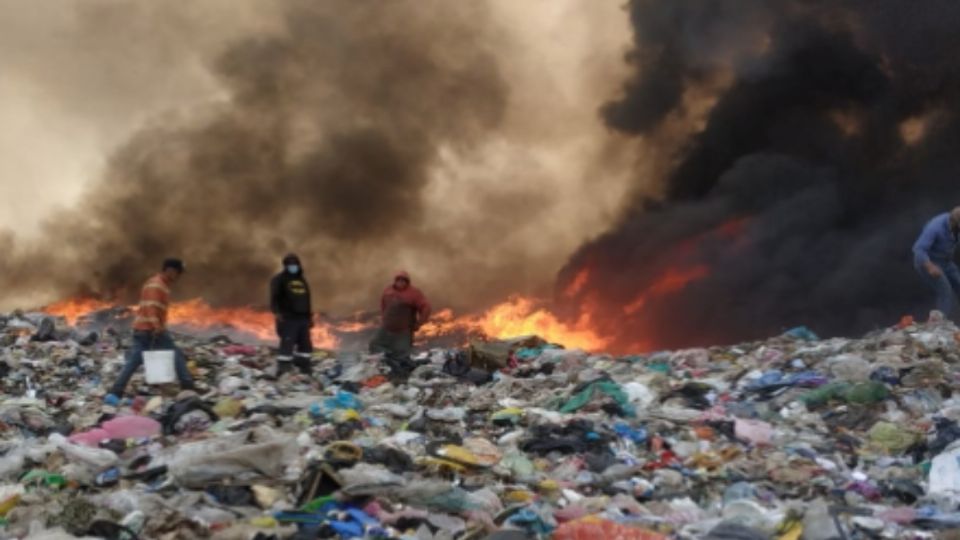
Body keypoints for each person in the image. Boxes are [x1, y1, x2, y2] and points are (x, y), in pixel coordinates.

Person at [105, 259, 194, 404]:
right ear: (170, 270)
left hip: (142, 329)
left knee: (133, 361)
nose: (178, 277)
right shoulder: (157, 285)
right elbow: (150, 307)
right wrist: (157, 326)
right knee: (175, 353)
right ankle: (188, 386)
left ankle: (116, 391)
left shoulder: (158, 284)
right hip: (150, 329)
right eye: (177, 273)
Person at [369, 271, 431, 361]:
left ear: (407, 282)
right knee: (374, 345)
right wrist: (384, 318)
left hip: (403, 331)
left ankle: (398, 369)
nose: (401, 282)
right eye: (399, 280)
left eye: (404, 280)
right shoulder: (388, 290)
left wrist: (419, 323)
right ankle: (386, 359)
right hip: (386, 329)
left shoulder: (414, 293)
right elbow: (383, 305)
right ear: (395, 281)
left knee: (402, 355)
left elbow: (426, 307)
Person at [270, 253, 313, 375]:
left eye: (295, 264)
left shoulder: (302, 280)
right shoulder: (279, 279)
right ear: (285, 266)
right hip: (288, 318)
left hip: (303, 318)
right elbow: (274, 298)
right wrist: (277, 313)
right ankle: (283, 369)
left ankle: (304, 366)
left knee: (305, 344)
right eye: (290, 264)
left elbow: (307, 299)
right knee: (287, 344)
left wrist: (309, 317)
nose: (293, 266)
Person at [913, 207, 960, 317]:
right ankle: (940, 324)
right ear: (955, 223)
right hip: (928, 262)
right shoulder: (935, 227)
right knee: (945, 291)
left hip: (945, 261)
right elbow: (919, 249)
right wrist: (930, 267)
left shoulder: (955, 229)